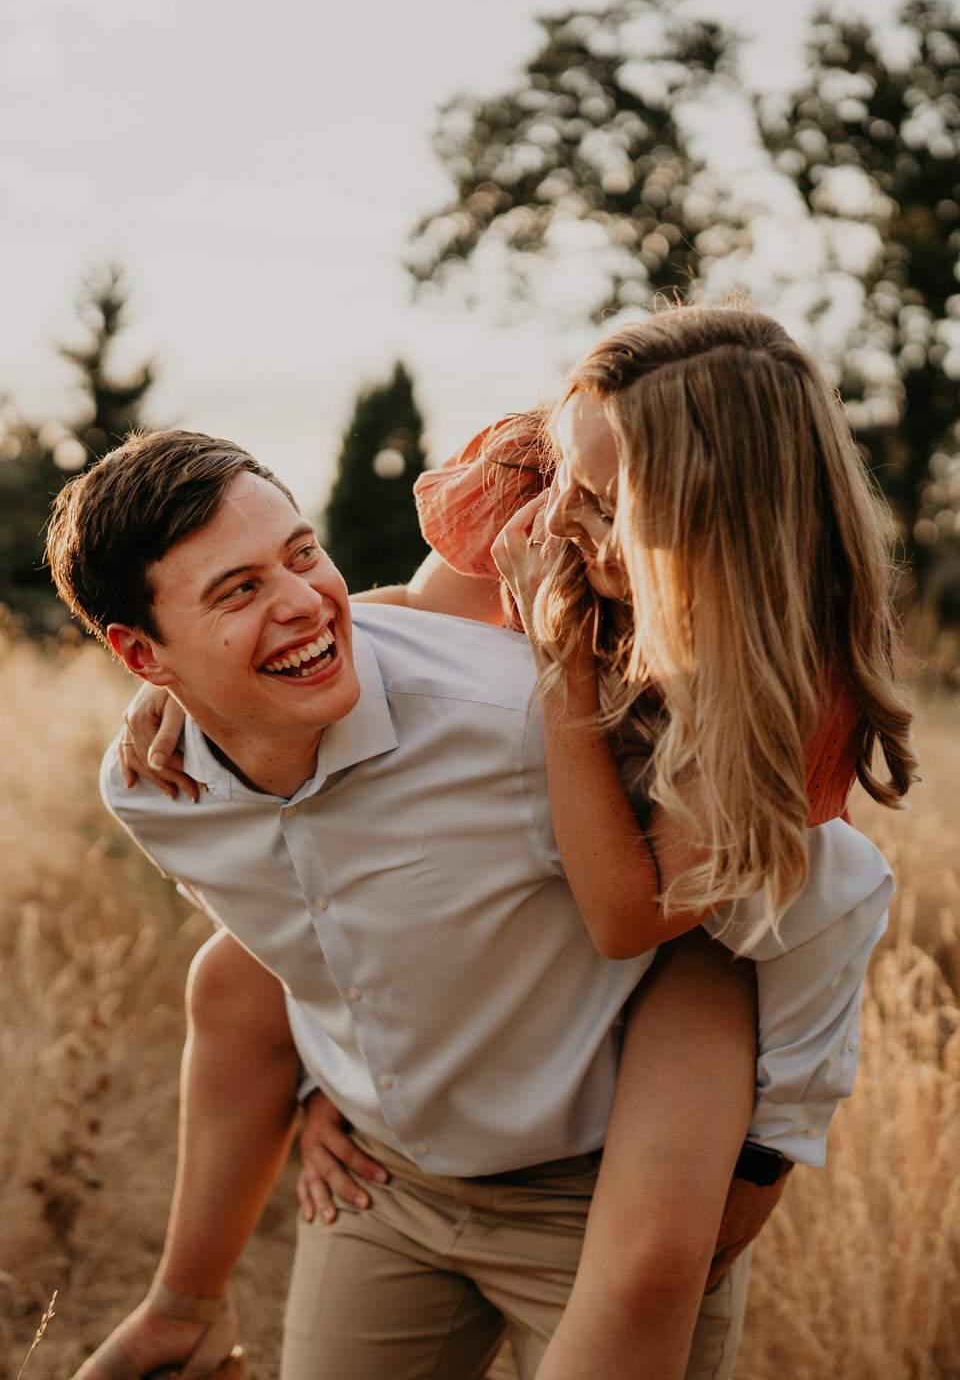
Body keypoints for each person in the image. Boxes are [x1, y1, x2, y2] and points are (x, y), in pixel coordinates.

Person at [48, 308, 910, 1379]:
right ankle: (190, 1300)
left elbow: (626, 916)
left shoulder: (773, 696)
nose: (556, 522)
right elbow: (399, 612)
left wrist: (561, 670)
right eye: (564, 480)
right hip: (424, 1143)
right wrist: (206, 685)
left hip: (733, 958)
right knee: (231, 977)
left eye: (602, 504)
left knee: (653, 1267)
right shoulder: (545, 502)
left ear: (707, 526)